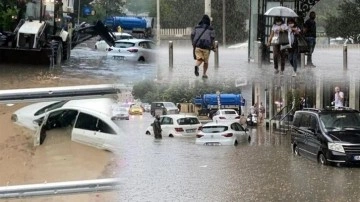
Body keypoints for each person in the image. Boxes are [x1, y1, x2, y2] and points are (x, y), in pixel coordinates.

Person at [191, 14, 216, 79]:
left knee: (199, 59)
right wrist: (213, 47)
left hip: (198, 46)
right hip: (206, 47)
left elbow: (192, 35)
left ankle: (196, 66)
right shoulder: (211, 29)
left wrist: (193, 43)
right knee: (206, 61)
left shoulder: (196, 27)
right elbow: (212, 38)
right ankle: (204, 74)